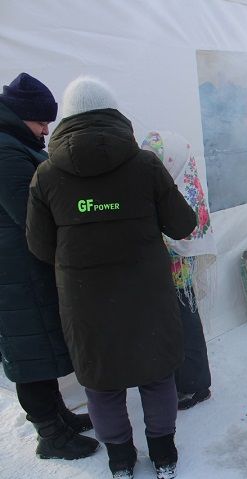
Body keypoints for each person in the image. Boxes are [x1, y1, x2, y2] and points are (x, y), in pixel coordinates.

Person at [25, 76, 197, 479]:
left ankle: (120, 459)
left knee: (101, 383)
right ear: (114, 113)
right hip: (147, 295)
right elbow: (182, 224)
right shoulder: (144, 164)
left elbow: (39, 247)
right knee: (155, 375)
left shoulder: (47, 175)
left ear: (66, 118)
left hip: (85, 300)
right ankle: (164, 454)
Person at [0, 72, 99, 460]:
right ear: (20, 114)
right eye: (41, 121)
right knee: (30, 352)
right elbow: (30, 214)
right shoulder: (6, 151)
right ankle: (50, 435)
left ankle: (58, 416)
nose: (46, 130)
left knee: (40, 345)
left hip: (26, 265)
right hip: (15, 271)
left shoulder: (16, 143)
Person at [141, 131, 216, 410]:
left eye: (154, 157)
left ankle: (195, 386)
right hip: (162, 273)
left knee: (185, 326)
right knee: (176, 326)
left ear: (170, 160)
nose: (148, 162)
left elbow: (182, 228)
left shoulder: (181, 187)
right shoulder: (169, 182)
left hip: (177, 272)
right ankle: (185, 382)